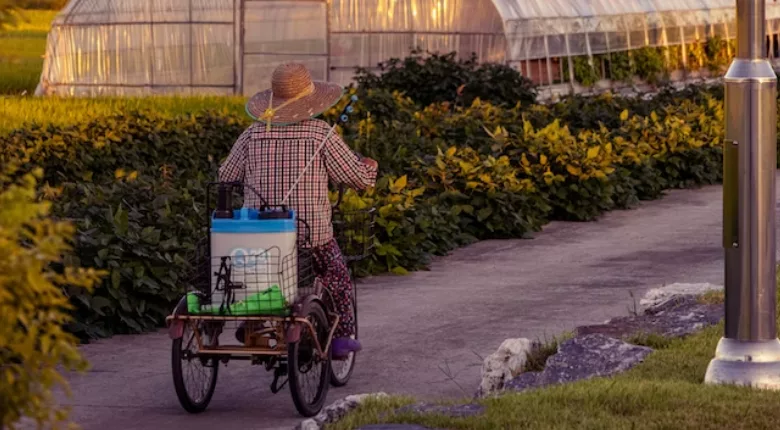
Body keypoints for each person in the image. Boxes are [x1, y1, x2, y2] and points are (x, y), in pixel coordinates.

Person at [218, 63, 377, 359]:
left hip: (258, 233)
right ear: (310, 100)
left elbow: (225, 175)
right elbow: (358, 178)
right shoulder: (320, 134)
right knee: (337, 277)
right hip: (309, 233)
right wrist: (369, 168)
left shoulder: (253, 133)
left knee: (258, 273)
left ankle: (252, 321)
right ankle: (341, 339)